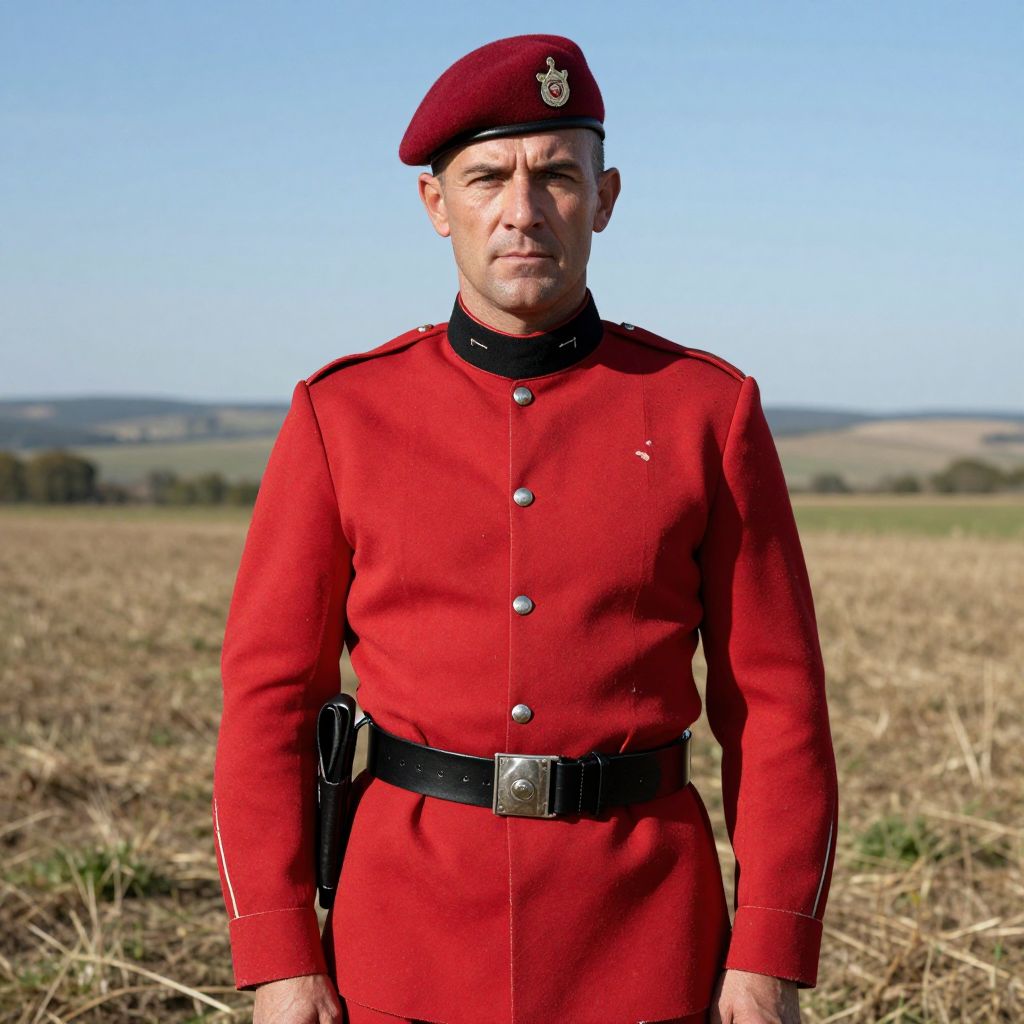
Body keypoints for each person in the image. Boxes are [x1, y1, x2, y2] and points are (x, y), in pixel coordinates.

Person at [212, 33, 838, 1024]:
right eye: (487, 176)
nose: (521, 209)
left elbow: (778, 704)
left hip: (642, 943)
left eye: (555, 174)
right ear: (435, 205)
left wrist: (769, 946)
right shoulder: (342, 415)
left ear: (606, 195)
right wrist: (280, 955)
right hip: (404, 946)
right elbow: (269, 704)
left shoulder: (704, 411)